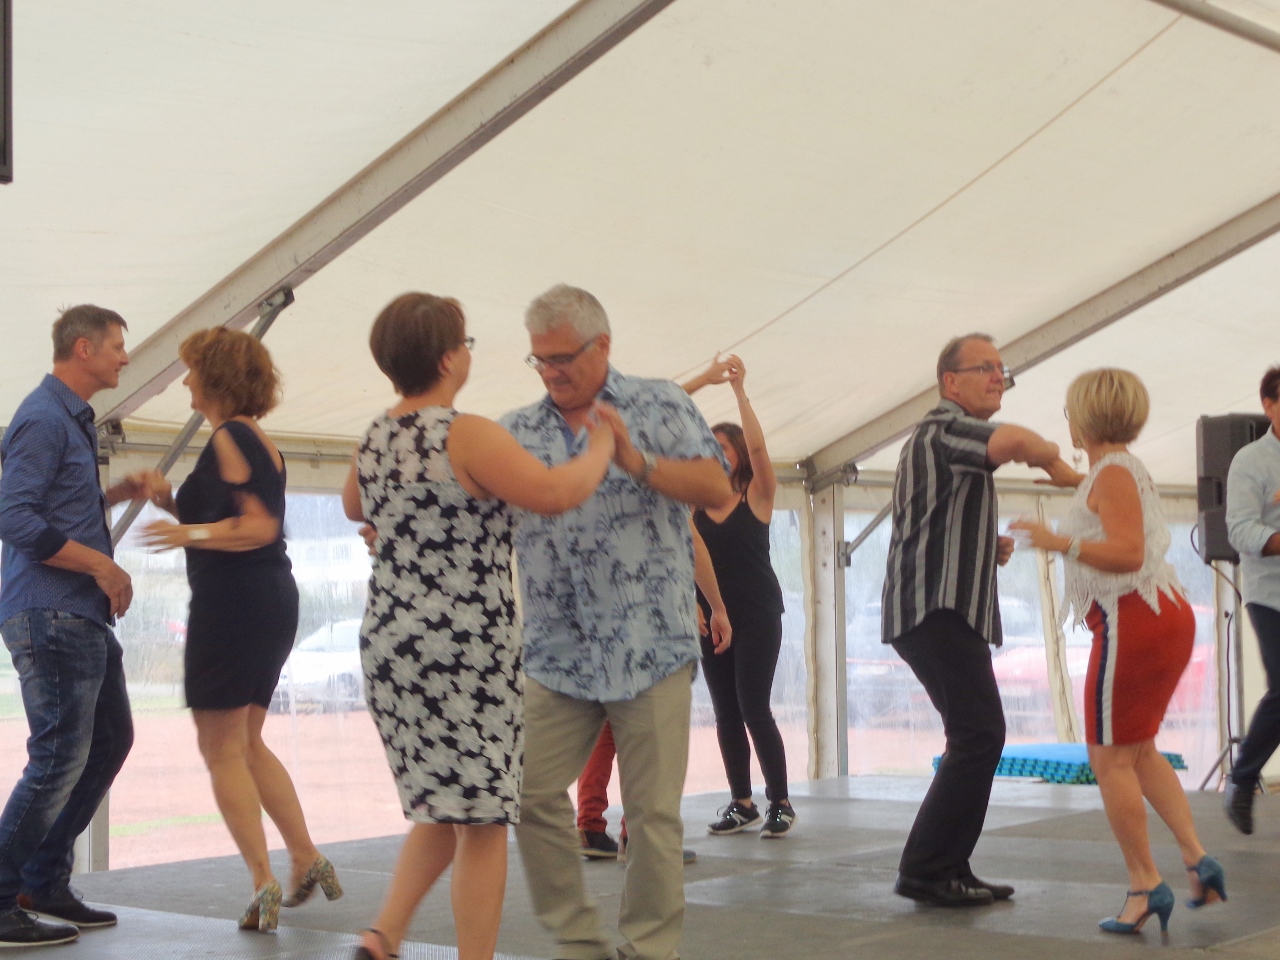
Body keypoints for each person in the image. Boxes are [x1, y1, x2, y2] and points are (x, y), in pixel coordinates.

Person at [342, 293, 615, 960]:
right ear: (446, 358)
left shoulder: (376, 436)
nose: (469, 352)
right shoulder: (464, 433)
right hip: (462, 649)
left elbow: (356, 504)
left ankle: (384, 936)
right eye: (465, 341)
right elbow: (553, 493)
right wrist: (603, 444)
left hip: (392, 641)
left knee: (448, 802)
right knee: (486, 816)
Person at [502, 284, 732, 960]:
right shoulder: (517, 430)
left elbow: (718, 491)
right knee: (529, 791)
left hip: (650, 645)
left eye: (564, 358)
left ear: (603, 345)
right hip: (555, 652)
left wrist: (638, 461)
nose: (551, 372)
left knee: (653, 816)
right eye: (539, 360)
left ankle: (649, 949)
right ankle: (579, 940)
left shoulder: (661, 403)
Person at [139, 328, 340, 934]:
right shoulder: (255, 441)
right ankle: (305, 856)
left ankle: (263, 881)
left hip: (234, 602)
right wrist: (172, 503)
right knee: (248, 741)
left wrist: (187, 533)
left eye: (193, 370)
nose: (185, 382)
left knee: (219, 748)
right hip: (269, 600)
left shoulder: (229, 436)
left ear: (216, 377)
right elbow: (234, 517)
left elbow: (255, 526)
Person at [1012, 368, 1225, 934]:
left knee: (1109, 759)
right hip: (1159, 615)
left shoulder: (1112, 474)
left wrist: (1061, 541)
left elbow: (1128, 552)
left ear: (1084, 418)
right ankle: (1195, 857)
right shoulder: (1115, 470)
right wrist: (1054, 468)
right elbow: (1095, 497)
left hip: (1133, 618)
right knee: (1140, 750)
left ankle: (1144, 884)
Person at [883, 333, 1072, 908]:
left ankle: (948, 865)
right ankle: (925, 868)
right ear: (950, 382)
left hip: (934, 610)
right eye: (986, 368)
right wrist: (1064, 470)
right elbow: (1014, 441)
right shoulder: (947, 427)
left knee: (975, 734)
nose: (998, 378)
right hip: (935, 609)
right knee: (979, 734)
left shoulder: (938, 440)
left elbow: (931, 517)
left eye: (1001, 370)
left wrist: (982, 546)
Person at [0, 305, 143, 948]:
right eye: (117, 346)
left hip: (74, 613)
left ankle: (44, 879)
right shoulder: (42, 416)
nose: (125, 356)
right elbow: (18, 520)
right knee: (59, 754)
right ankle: (4, 896)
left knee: (109, 741)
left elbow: (53, 503)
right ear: (82, 349)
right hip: (52, 611)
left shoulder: (68, 421)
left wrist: (111, 495)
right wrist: (103, 567)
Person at [683, 355, 794, 838]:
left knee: (754, 706)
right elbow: (683, 558)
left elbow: (760, 447)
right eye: (710, 447)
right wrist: (696, 607)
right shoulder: (694, 503)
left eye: (724, 448)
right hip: (712, 620)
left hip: (758, 615)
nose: (717, 454)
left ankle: (781, 801)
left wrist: (739, 392)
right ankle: (741, 802)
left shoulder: (759, 494)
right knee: (725, 711)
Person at [1223, 364, 1280, 834]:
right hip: (1271, 594)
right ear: (1269, 404)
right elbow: (1239, 530)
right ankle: (1242, 782)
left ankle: (1242, 780)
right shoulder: (1250, 461)